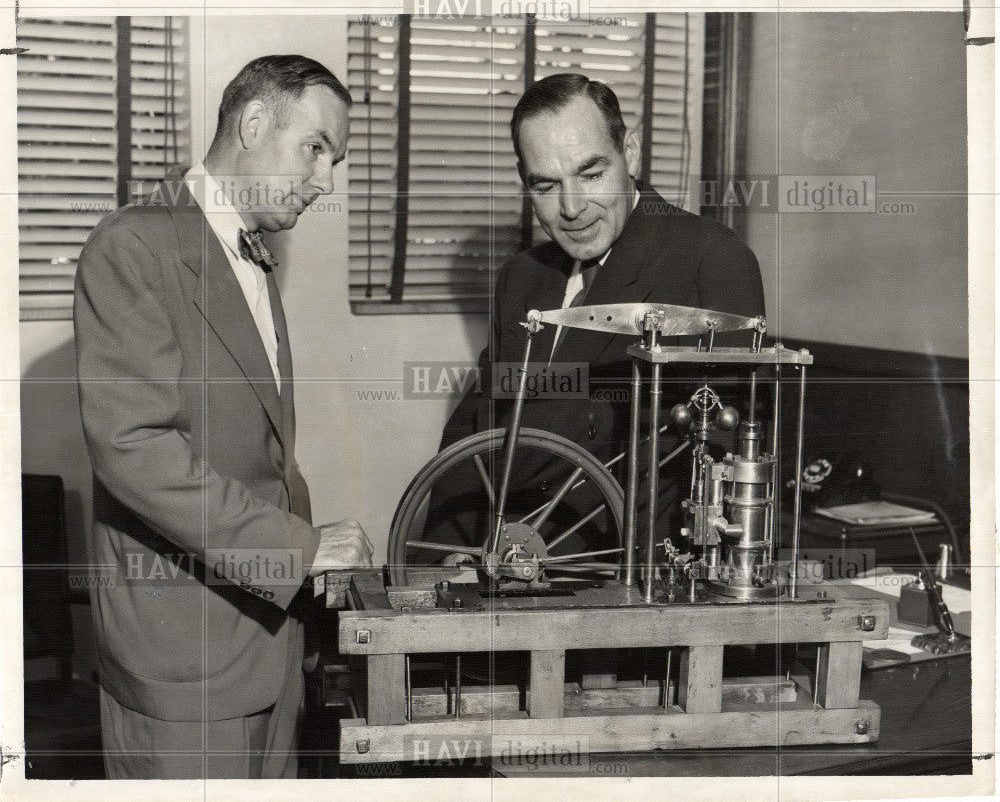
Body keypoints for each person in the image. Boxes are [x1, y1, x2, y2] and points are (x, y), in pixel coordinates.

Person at [74, 55, 373, 779]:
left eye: (334, 159)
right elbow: (135, 449)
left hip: (266, 647)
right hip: (183, 662)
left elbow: (262, 450)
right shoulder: (134, 245)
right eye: (316, 149)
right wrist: (297, 550)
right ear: (253, 122)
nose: (326, 179)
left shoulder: (253, 253)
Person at [425, 73, 765, 562]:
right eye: (546, 184)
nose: (572, 208)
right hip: (506, 566)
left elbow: (723, 454)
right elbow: (479, 426)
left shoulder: (711, 260)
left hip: (625, 578)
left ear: (630, 151)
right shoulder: (521, 278)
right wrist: (447, 553)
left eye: (590, 174)